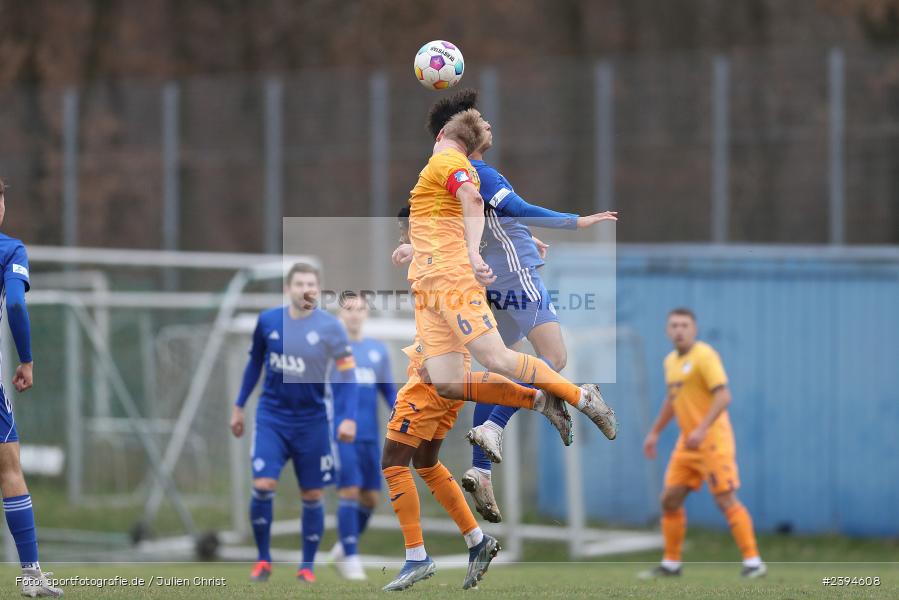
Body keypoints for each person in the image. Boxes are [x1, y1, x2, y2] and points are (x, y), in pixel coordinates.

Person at [393, 89, 618, 522]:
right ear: (459, 132)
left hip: (484, 282)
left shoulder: (450, 175)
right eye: (480, 119)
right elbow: (514, 206)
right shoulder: (477, 172)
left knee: (497, 366)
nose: (488, 124)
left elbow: (452, 223)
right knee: (553, 357)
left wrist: (414, 246)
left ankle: (481, 467)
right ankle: (544, 410)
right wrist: (577, 221)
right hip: (513, 278)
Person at [230, 263, 358, 583]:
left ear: (318, 289)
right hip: (272, 418)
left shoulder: (331, 328)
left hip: (313, 423)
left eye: (311, 284)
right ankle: (263, 560)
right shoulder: (268, 321)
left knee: (312, 494)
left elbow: (348, 375)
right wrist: (238, 406)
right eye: (299, 284)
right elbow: (254, 364)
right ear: (287, 289)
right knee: (263, 485)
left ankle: (307, 567)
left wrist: (348, 418)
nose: (305, 289)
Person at [640, 308, 766, 579]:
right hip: (688, 443)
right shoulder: (670, 361)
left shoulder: (705, 356)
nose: (679, 330)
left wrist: (702, 428)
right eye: (674, 325)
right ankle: (671, 564)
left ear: (694, 329)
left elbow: (724, 396)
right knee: (669, 500)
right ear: (667, 331)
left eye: (684, 325)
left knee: (725, 499)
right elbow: (672, 399)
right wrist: (655, 432)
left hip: (712, 440)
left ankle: (754, 562)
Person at [0, 178, 63, 597]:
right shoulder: (10, 250)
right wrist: (26, 359)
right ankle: (31, 575)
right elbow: (16, 303)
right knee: (9, 469)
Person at [329, 292, 397, 580]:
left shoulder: (377, 350)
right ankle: (351, 557)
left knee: (370, 498)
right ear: (340, 315)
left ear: (366, 314)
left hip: (370, 436)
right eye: (349, 309)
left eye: (359, 309)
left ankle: (343, 547)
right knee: (349, 489)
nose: (354, 314)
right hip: (340, 435)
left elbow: (388, 391)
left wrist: (404, 416)